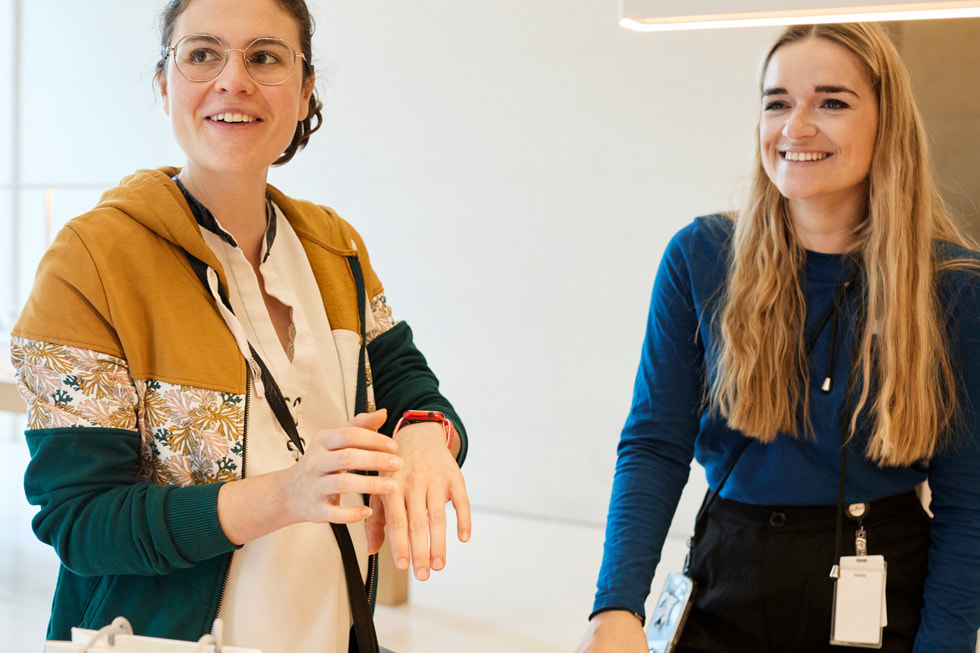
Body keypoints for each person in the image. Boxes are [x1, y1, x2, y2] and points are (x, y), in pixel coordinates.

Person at [10, 1, 470, 652]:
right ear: (164, 83)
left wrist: (425, 434)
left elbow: (406, 382)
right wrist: (286, 494)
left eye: (265, 57)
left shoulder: (334, 246)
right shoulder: (91, 262)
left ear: (304, 90)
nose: (233, 80)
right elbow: (81, 520)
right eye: (202, 54)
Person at [575, 22, 980, 652]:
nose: (796, 127)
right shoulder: (701, 257)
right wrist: (616, 605)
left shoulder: (952, 286)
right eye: (777, 103)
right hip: (724, 581)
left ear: (888, 124)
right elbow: (655, 444)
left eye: (832, 102)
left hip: (883, 587)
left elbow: (969, 502)